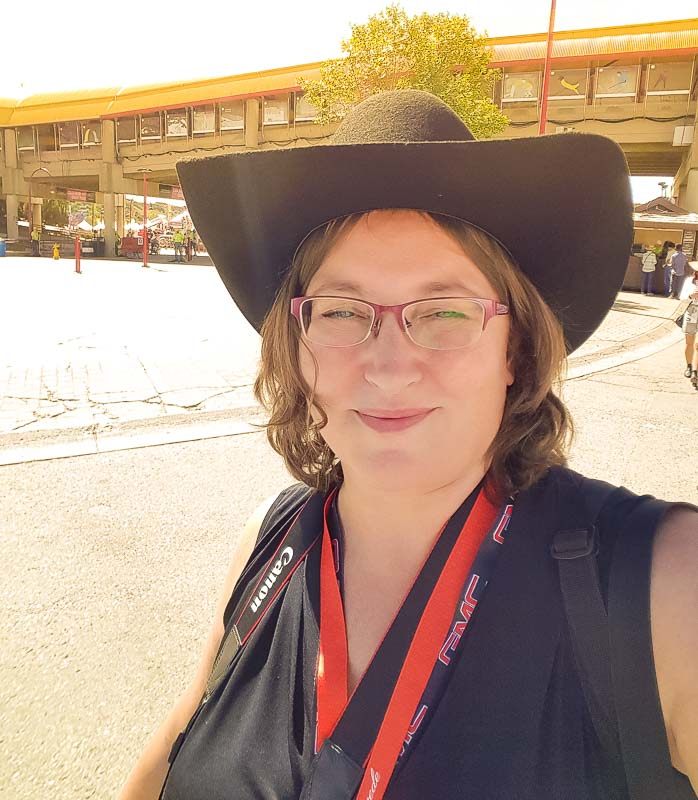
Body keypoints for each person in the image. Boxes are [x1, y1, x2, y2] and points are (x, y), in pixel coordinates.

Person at [119, 91, 698, 800]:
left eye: (445, 311)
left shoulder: (663, 585)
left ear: (514, 349)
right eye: (339, 310)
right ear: (295, 346)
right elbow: (180, 741)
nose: (390, 367)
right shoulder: (265, 548)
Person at [683, 274, 698, 382]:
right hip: (691, 312)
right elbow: (682, 298)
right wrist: (690, 296)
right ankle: (689, 366)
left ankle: (695, 371)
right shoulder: (690, 281)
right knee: (689, 343)